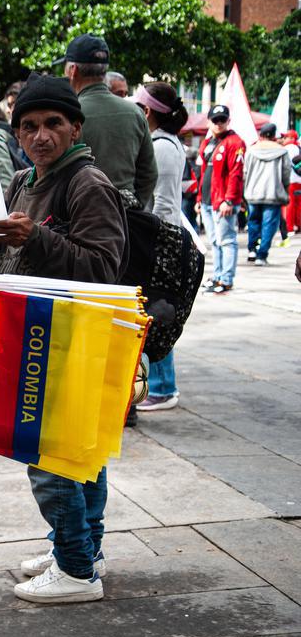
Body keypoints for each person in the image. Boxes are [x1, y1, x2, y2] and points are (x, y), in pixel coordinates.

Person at [0, 73, 127, 604]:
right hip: (37, 333)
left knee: (50, 455)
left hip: (73, 340)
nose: (39, 135)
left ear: (75, 126)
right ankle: (81, 548)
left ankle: (74, 571)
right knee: (81, 455)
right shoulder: (26, 181)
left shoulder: (88, 183)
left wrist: (38, 237)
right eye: (28, 126)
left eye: (52, 124)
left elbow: (102, 270)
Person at [132, 82, 190, 413]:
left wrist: (156, 243)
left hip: (162, 240)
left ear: (148, 111)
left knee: (159, 312)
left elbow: (165, 201)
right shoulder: (160, 142)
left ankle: (163, 387)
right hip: (160, 236)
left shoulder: (164, 147)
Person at [59, 33, 157, 210]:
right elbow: (149, 174)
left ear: (73, 70)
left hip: (81, 216)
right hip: (126, 220)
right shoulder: (135, 112)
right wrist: (134, 206)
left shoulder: (65, 114)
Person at [196, 104, 245, 294]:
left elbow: (236, 173)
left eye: (222, 120)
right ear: (209, 121)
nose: (218, 123)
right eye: (215, 120)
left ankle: (226, 279)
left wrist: (230, 200)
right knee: (215, 241)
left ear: (228, 121)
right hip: (208, 199)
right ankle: (217, 276)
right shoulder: (208, 142)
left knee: (226, 240)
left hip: (223, 200)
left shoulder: (235, 142)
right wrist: (200, 198)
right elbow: (203, 172)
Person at [244, 123, 292, 267]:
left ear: (261, 135)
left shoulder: (251, 151)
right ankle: (262, 255)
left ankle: (252, 249)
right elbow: (286, 174)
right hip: (273, 193)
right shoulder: (282, 152)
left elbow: (245, 173)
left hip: (253, 193)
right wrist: (286, 190)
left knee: (253, 222)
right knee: (268, 226)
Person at [281, 130, 301, 233]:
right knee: (298, 204)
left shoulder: (287, 149)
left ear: (292, 138)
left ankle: (289, 227)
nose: (283, 139)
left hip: (290, 180)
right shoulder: (298, 148)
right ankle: (299, 225)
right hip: (299, 179)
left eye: (286, 137)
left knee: (290, 204)